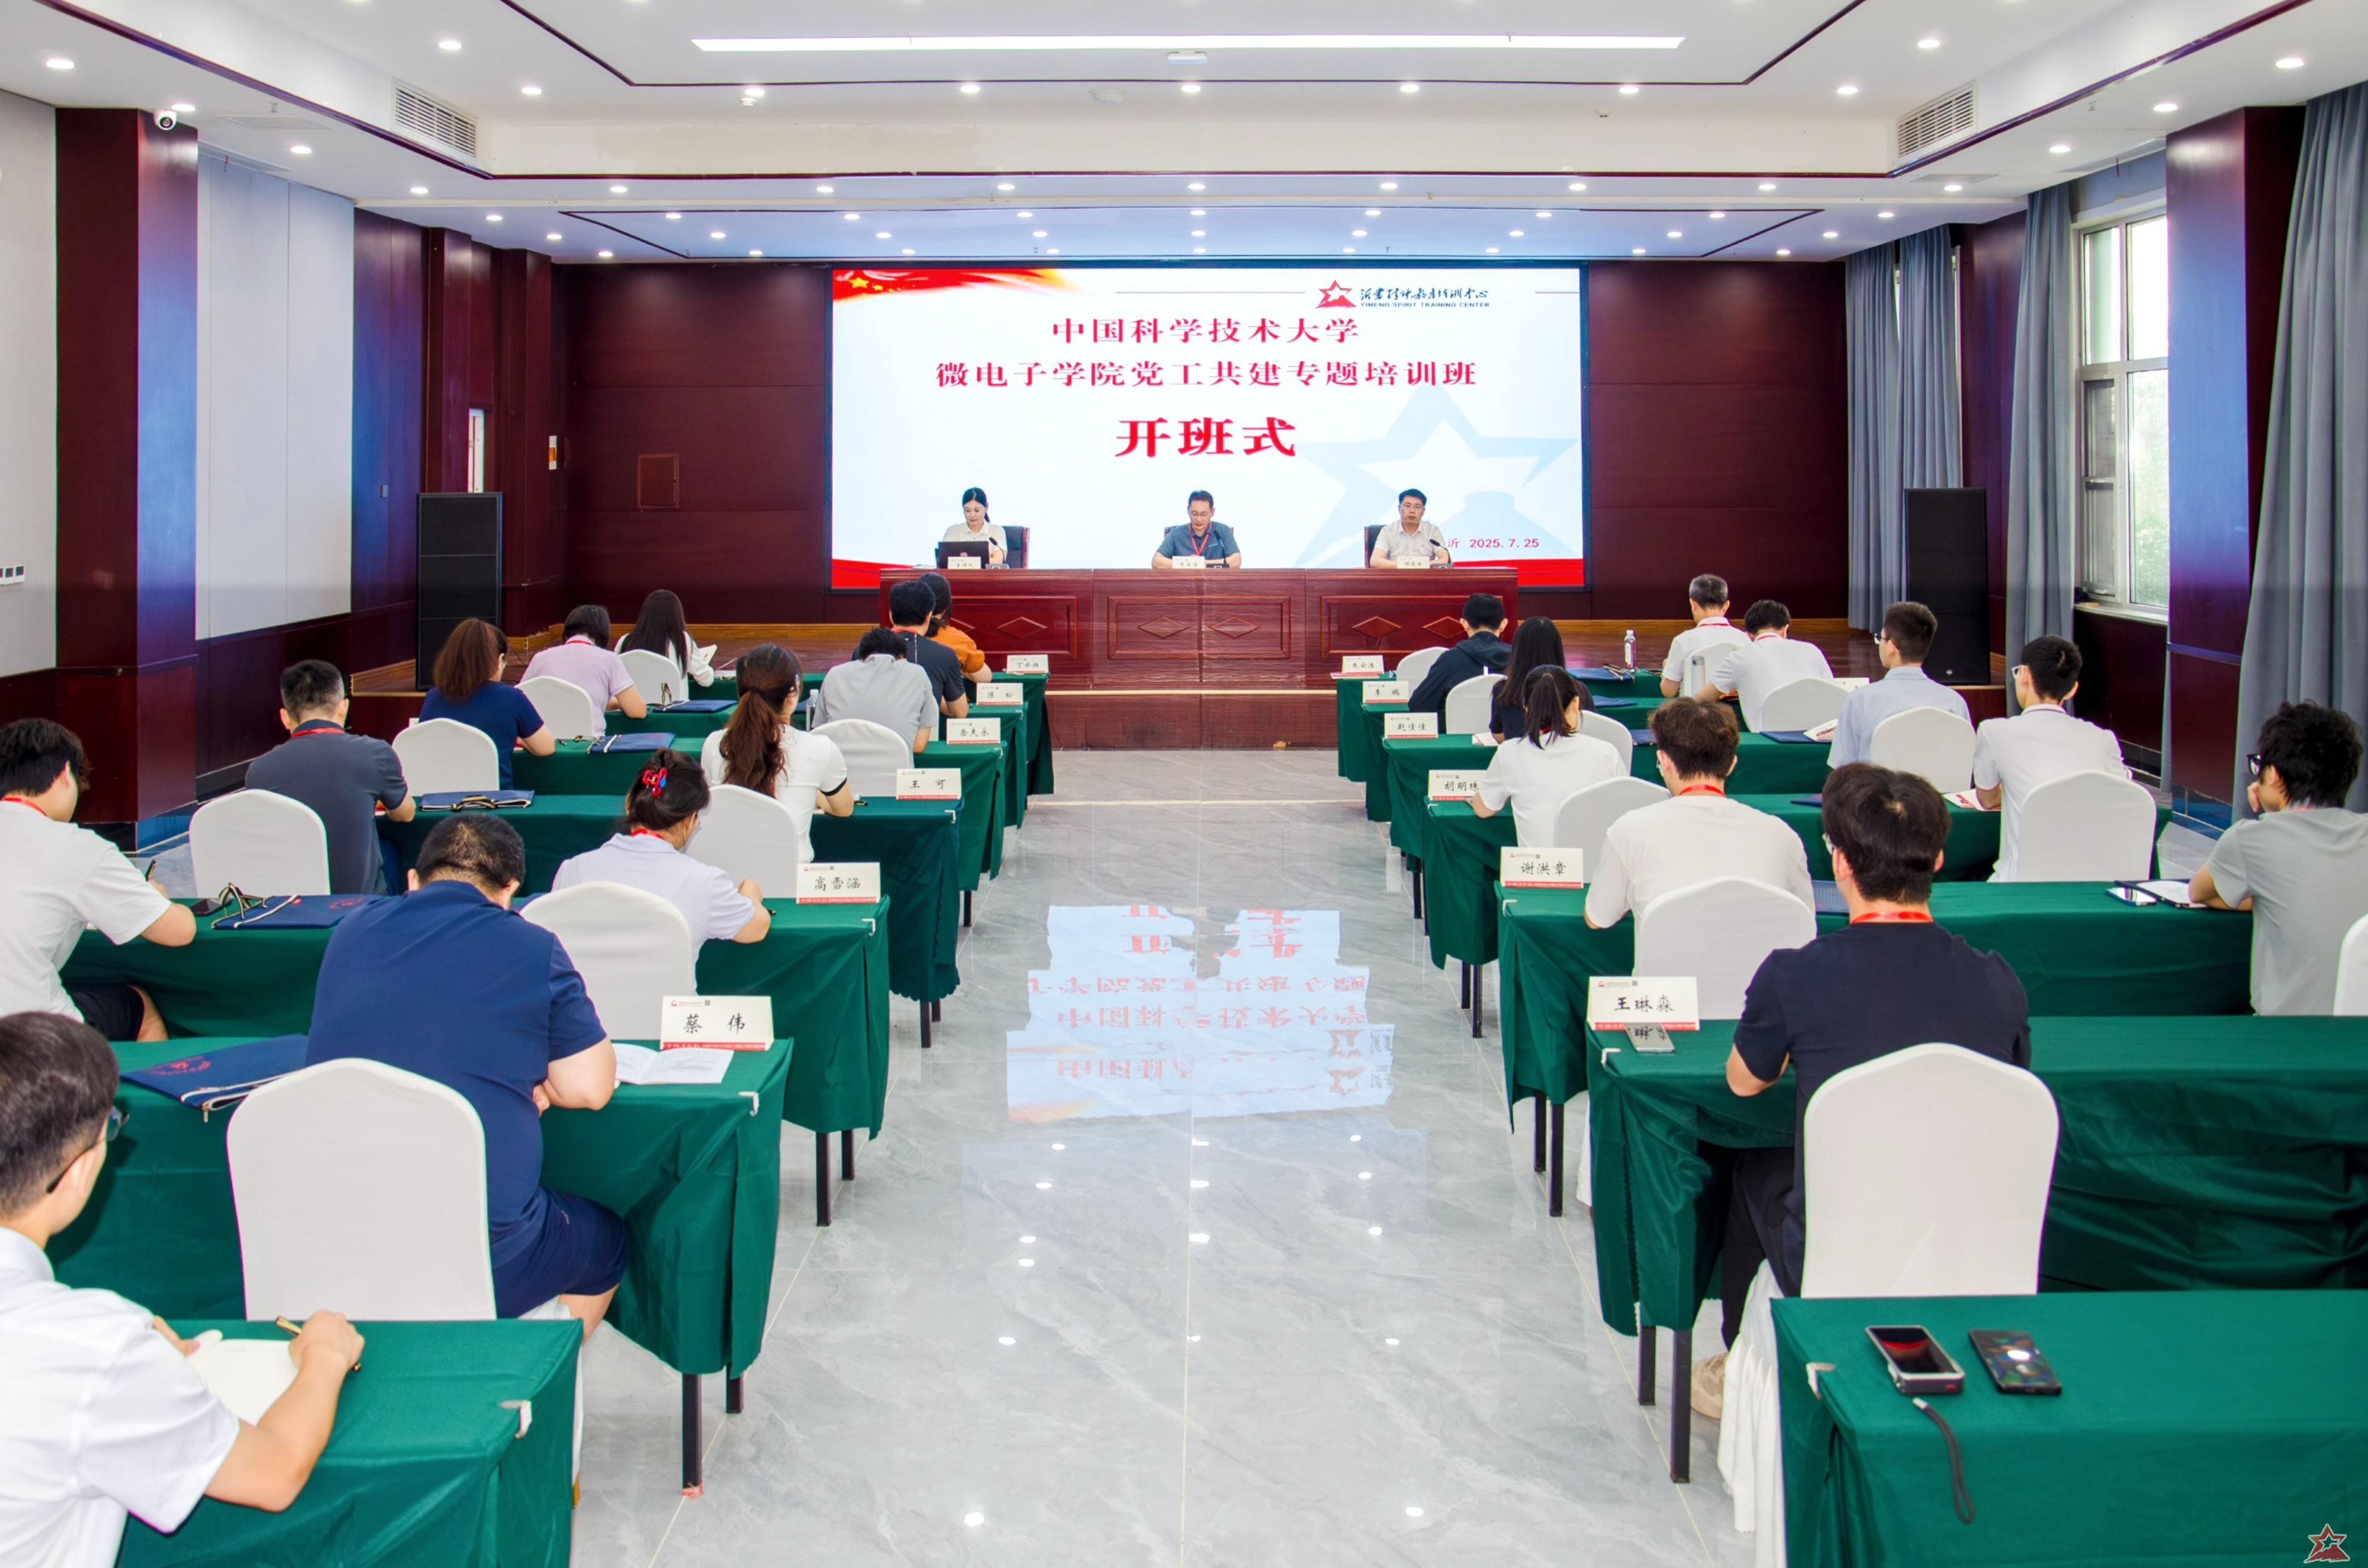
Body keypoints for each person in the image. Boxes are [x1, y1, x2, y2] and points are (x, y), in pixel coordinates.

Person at [1698, 763, 2031, 1418]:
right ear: (1939, 858)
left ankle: (1740, 1361)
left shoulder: (1795, 975)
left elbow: (1743, 1082)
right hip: (1972, 1239)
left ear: (1840, 861)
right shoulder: (1998, 979)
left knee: (1752, 1169)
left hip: (1838, 1249)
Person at [0, 1011, 368, 1563]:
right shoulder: (94, 1349)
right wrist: (325, 1356)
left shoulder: (98, 1344)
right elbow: (273, 1473)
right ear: (78, 1171)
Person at [305, 813, 625, 1331]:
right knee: (605, 1240)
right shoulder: (532, 946)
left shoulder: (350, 930)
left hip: (337, 1237)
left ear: (413, 880)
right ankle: (535, 1374)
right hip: (482, 1255)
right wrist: (536, 1075)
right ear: (510, 891)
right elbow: (590, 1087)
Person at [0, 720, 194, 1043]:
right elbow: (178, 932)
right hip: (27, 1038)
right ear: (65, 774)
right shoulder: (78, 847)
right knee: (137, 1006)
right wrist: (156, 897)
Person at [2190, 701, 2368, 1015]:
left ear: (2273, 776)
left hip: (2287, 1033)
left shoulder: (2250, 839)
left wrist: (2264, 897)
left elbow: (2200, 892)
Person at [1585, 698, 1814, 927]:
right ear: (1732, 763)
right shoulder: (1783, 836)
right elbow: (1804, 922)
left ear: (1664, 761)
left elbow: (1598, 919)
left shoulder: (1629, 831)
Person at [551, 751, 770, 946]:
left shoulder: (572, 870)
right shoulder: (705, 882)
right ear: (691, 819)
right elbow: (756, 928)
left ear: (628, 804)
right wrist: (750, 895)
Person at [243, 661, 416, 896]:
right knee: (391, 851)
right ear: (344, 707)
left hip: (292, 903)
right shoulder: (375, 753)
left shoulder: (260, 771)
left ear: (285, 717)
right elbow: (406, 814)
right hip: (359, 904)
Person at [1971, 635, 2127, 881]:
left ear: (2024, 675)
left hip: (2019, 882)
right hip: (2091, 880)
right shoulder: (2104, 739)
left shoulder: (1993, 732)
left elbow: (1987, 800)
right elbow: (2121, 795)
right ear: (2073, 689)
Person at [702, 644, 853, 864]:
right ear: (792, 695)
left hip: (728, 874)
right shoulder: (820, 748)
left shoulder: (714, 744)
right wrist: (813, 794)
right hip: (793, 877)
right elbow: (844, 808)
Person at [1471, 668, 1623, 845]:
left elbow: (1483, 809)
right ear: (1576, 703)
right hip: (1592, 861)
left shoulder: (1510, 752)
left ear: (1526, 708)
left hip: (1537, 863)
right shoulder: (1606, 752)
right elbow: (1623, 811)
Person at [1824, 601, 1971, 768]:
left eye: (1880, 638)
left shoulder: (1860, 700)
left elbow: (1843, 769)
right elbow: (1965, 762)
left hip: (1878, 785)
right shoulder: (1955, 703)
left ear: (1892, 647)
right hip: (1938, 786)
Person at [419, 619, 555, 790]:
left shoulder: (433, 697)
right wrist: (517, 738)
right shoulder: (512, 698)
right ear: (500, 660)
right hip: (494, 800)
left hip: (439, 798)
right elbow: (546, 747)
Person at [1700, 600, 1836, 732]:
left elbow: (1702, 700)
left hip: (1768, 736)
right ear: (1785, 629)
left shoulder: (1739, 657)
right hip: (1816, 733)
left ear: (1749, 636)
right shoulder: (1812, 650)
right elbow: (1831, 692)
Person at [816, 629, 938, 754]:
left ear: (861, 657)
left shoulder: (835, 674)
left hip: (841, 765)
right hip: (896, 764)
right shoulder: (917, 674)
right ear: (901, 657)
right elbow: (918, 746)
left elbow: (818, 735)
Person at [522, 606, 648, 720]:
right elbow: (637, 711)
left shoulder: (541, 658)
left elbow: (520, 701)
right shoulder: (609, 659)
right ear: (603, 631)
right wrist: (615, 703)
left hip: (547, 737)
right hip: (589, 738)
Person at [1407, 594, 1510, 719]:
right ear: (1503, 624)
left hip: (1458, 731)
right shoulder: (1520, 657)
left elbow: (1418, 706)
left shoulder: (1450, 659)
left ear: (1464, 623)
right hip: (1509, 731)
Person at [887, 580, 969, 719]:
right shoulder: (945, 655)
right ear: (928, 618)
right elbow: (960, 712)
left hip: (875, 731)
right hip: (924, 731)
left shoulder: (864, 652)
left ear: (891, 615)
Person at [1492, 617, 1582, 742]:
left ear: (1517, 651)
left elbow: (1498, 735)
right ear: (1557, 649)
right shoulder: (1577, 689)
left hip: (1521, 754)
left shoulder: (1504, 690)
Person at [1661, 574, 1749, 698]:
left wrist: (1668, 669)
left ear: (1693, 604)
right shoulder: (1744, 640)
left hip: (1694, 709)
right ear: (1726, 606)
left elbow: (1668, 692)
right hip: (1734, 709)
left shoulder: (1683, 641)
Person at [618, 588, 715, 688]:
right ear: (676, 615)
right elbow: (706, 680)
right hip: (671, 699)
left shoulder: (624, 641)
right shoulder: (682, 640)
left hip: (632, 699)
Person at [922, 572, 989, 679]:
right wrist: (957, 667)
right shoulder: (956, 639)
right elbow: (984, 678)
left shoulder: (897, 636)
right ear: (946, 606)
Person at [1150, 490, 1241, 569]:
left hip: (1214, 582)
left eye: (1204, 515)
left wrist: (1204, 564)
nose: (1199, 519)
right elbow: (1157, 562)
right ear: (1188, 511)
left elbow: (1236, 561)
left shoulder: (1222, 531)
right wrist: (1191, 563)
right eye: (1194, 514)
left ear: (1212, 513)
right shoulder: (1176, 534)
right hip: (1184, 582)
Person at [1368, 488, 1452, 568]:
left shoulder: (1432, 531)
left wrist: (1425, 566)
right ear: (1399, 509)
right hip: (1397, 576)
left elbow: (1446, 559)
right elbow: (1375, 561)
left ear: (1423, 511)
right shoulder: (1388, 531)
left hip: (1424, 576)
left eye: (1417, 507)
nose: (1412, 511)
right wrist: (1402, 566)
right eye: (1408, 506)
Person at [941, 486, 1007, 565]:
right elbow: (945, 562)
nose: (972, 515)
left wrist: (962, 560)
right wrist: (986, 558)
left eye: (977, 510)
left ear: (986, 508)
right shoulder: (953, 532)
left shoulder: (997, 531)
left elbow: (998, 561)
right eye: (967, 510)